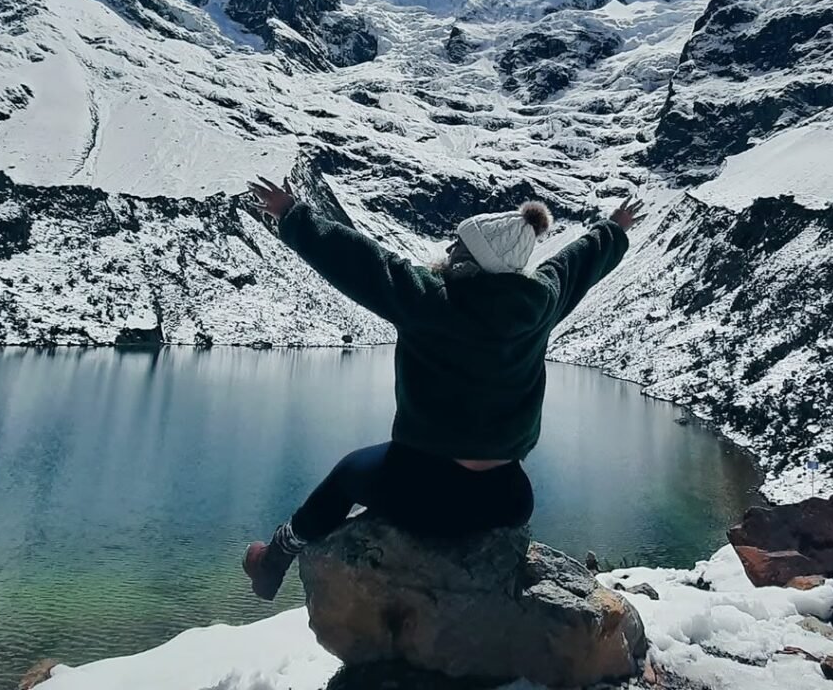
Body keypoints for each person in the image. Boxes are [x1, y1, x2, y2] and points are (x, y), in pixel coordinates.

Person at [242, 177, 646, 599]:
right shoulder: (542, 301)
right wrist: (613, 228)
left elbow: (359, 261)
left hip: (423, 492)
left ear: (472, 260)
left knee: (346, 475)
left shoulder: (430, 300)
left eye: (458, 247)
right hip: (507, 500)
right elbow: (578, 263)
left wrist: (292, 215)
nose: (449, 251)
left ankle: (275, 559)